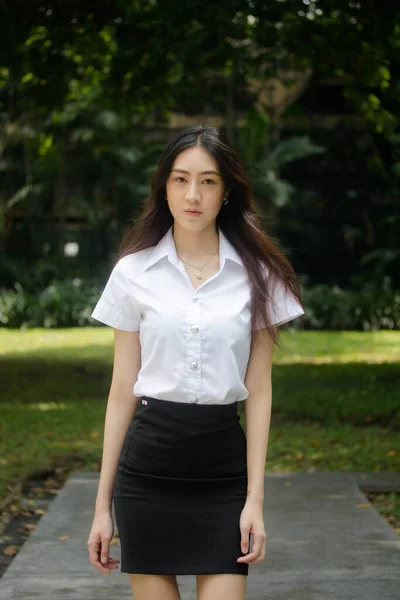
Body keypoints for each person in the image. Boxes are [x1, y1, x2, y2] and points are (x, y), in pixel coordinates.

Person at [87, 124, 305, 600]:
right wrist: (101, 506)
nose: (193, 194)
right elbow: (123, 388)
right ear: (163, 187)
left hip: (223, 474)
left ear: (226, 192)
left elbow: (261, 391)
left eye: (208, 181)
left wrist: (255, 500)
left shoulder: (260, 276)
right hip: (147, 473)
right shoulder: (133, 272)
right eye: (180, 179)